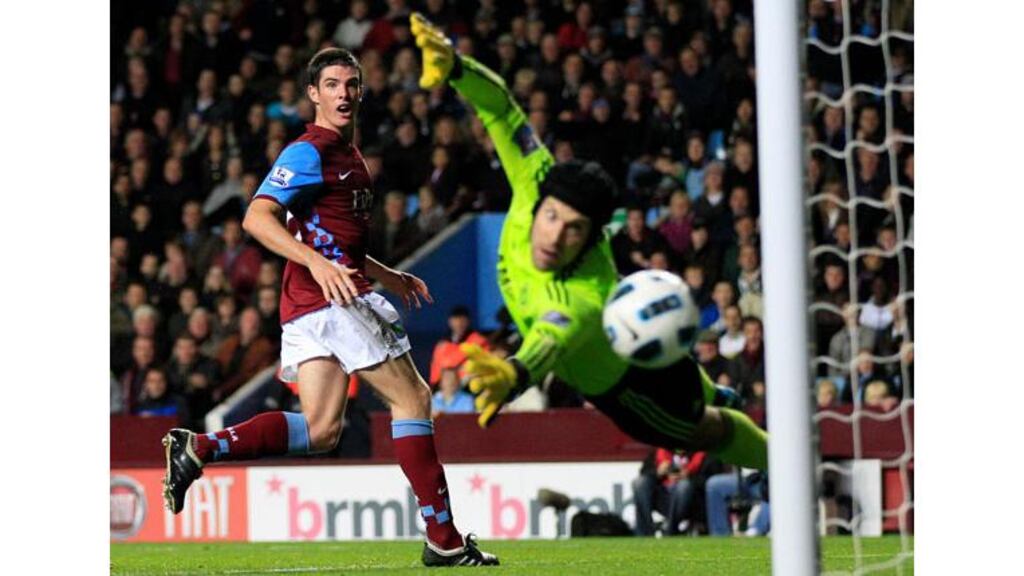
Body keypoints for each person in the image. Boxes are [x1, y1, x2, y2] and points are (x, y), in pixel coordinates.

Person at [161, 47, 498, 567]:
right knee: (412, 399)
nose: (344, 93)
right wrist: (317, 264)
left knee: (321, 430)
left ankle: (201, 448)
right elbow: (257, 218)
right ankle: (443, 538)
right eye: (333, 85)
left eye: (352, 84)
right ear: (313, 94)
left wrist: (386, 273)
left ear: (361, 91)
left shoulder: (348, 155)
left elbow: (336, 238)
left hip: (307, 303)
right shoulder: (309, 150)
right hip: (331, 298)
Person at [411, 12, 766, 475]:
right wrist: (457, 67)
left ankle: (793, 474)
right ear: (541, 202)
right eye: (553, 217)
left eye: (574, 229)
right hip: (639, 331)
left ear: (591, 236)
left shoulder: (582, 296)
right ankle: (711, 393)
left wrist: (514, 375)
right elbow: (502, 108)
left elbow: (548, 341)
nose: (555, 235)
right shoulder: (535, 176)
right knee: (684, 370)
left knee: (705, 430)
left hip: (628, 388)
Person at [632, 448, 708, 536]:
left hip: (691, 500)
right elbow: (644, 473)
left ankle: (670, 530)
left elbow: (709, 481)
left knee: (684, 485)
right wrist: (658, 472)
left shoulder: (702, 456)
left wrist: (688, 475)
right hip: (663, 497)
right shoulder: (659, 453)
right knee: (639, 483)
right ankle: (645, 533)